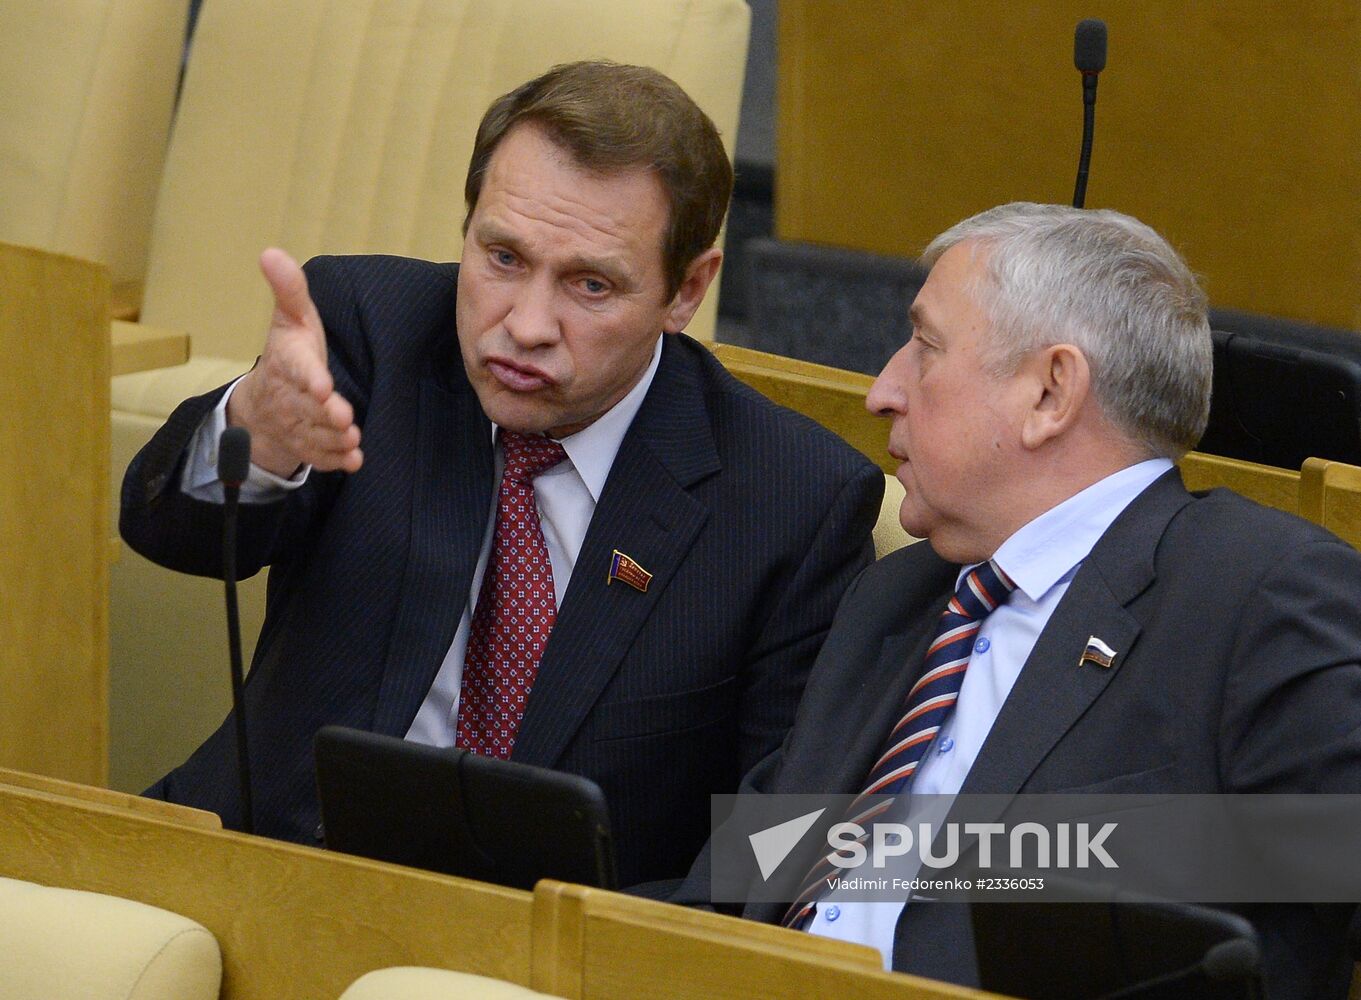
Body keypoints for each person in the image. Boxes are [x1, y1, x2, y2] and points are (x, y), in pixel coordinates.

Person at [119, 61, 883, 887]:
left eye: (590, 285)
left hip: (560, 934)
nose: (525, 326)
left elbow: (782, 835)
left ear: (686, 290)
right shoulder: (373, 332)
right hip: (261, 868)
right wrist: (256, 435)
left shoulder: (792, 502)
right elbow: (173, 534)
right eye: (504, 257)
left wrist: (608, 937)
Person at [673, 202, 1361, 997]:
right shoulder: (894, 596)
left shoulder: (1258, 591)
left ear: (1049, 393)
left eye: (925, 347)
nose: (883, 391)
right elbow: (749, 869)